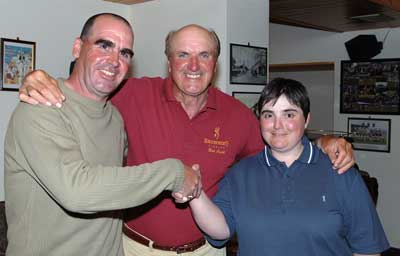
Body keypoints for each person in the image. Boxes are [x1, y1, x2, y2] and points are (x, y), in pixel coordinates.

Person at [19, 25, 355, 256]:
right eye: (182, 55)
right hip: (136, 248)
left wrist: (323, 141)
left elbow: (281, 143)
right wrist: (39, 78)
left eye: (204, 55)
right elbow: (87, 85)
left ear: (215, 63)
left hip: (206, 250)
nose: (193, 66)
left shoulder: (237, 115)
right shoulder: (131, 94)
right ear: (168, 62)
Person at [4, 13, 201, 256]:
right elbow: (77, 192)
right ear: (78, 48)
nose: (114, 60)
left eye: (124, 53)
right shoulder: (39, 108)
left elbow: (115, 188)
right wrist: (174, 173)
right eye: (104, 45)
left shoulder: (115, 118)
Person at [189, 78, 389, 256]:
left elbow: (367, 248)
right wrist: (195, 194)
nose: (277, 125)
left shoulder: (340, 171)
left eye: (289, 114)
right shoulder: (240, 173)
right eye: (268, 115)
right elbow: (221, 231)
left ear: (307, 119)